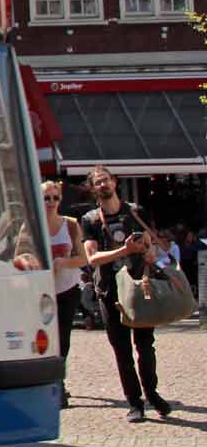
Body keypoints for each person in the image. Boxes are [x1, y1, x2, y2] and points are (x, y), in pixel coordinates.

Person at [80, 166, 171, 422]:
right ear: (93, 188)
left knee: (146, 345)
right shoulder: (90, 220)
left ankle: (152, 393)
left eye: (105, 180)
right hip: (110, 290)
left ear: (115, 182)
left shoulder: (135, 211)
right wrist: (124, 251)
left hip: (140, 286)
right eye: (97, 182)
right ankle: (135, 403)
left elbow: (150, 243)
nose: (103, 185)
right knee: (122, 350)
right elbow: (93, 257)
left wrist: (149, 253)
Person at [40, 181, 87, 406]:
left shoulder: (70, 225)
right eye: (46, 198)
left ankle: (58, 383)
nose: (51, 202)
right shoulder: (32, 225)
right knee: (44, 340)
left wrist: (63, 262)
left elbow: (83, 259)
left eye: (55, 198)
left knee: (63, 339)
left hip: (67, 288)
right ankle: (45, 382)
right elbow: (20, 254)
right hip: (40, 293)